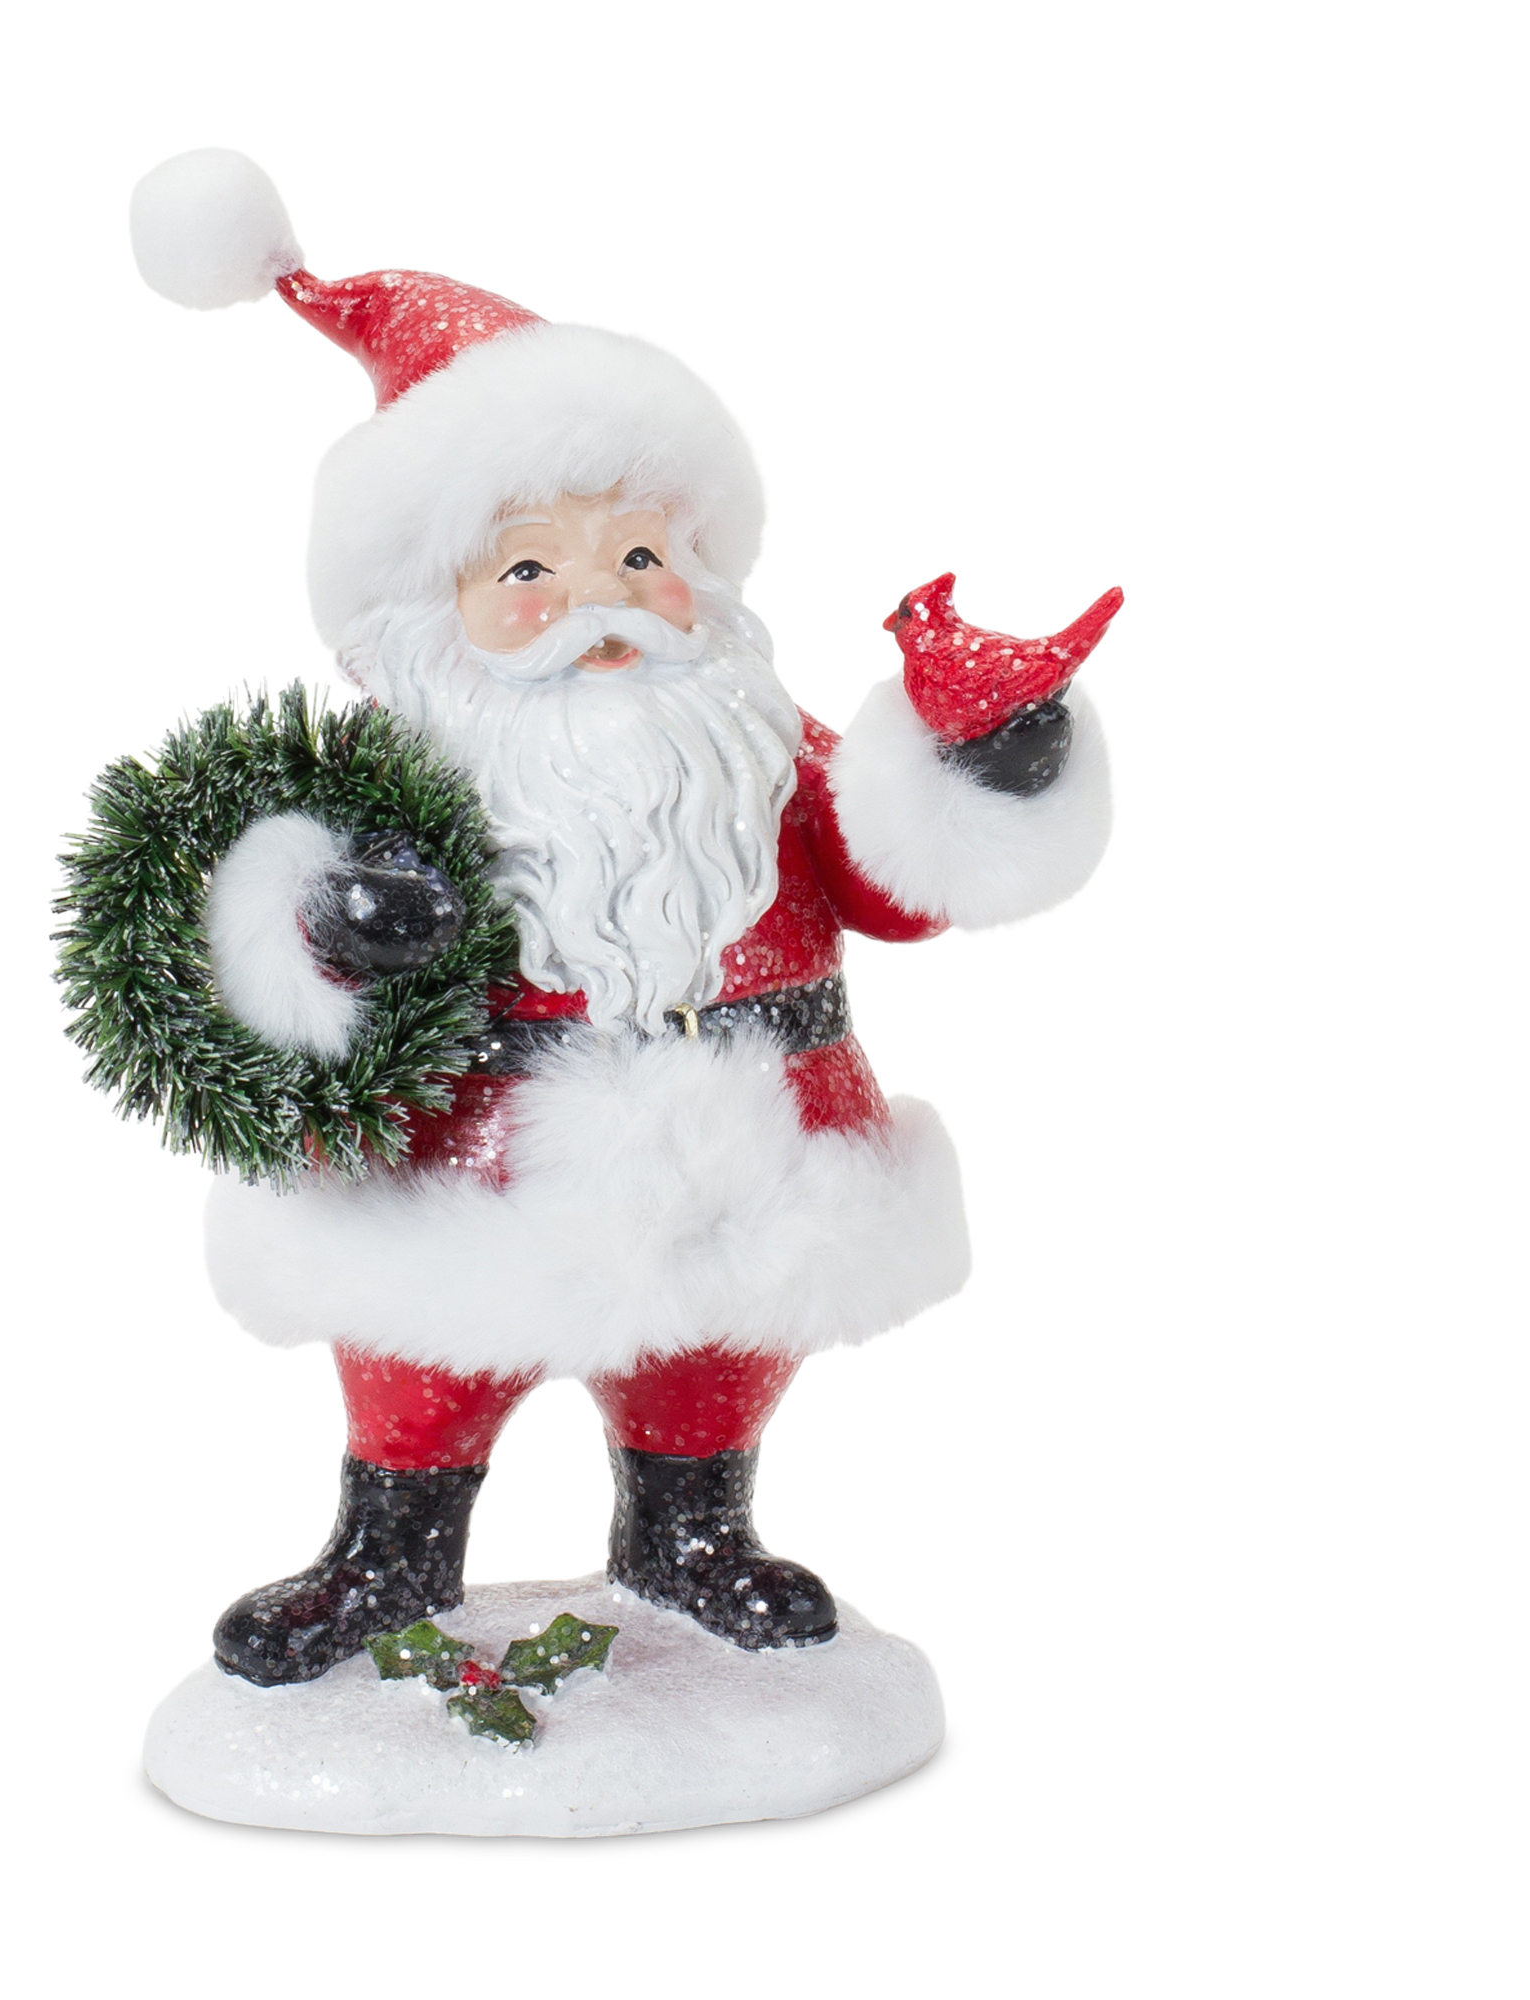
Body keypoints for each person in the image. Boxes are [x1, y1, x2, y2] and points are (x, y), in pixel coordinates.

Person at [130, 150, 1114, 1686]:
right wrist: (336, 928)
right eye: (531, 565)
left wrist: (990, 766)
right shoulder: (401, 771)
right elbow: (269, 933)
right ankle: (392, 1552)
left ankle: (691, 1534)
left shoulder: (757, 743)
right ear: (435, 607)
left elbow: (895, 876)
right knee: (423, 1348)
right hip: (478, 1137)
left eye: (640, 556)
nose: (598, 600)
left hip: (754, 1121)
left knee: (720, 1345)